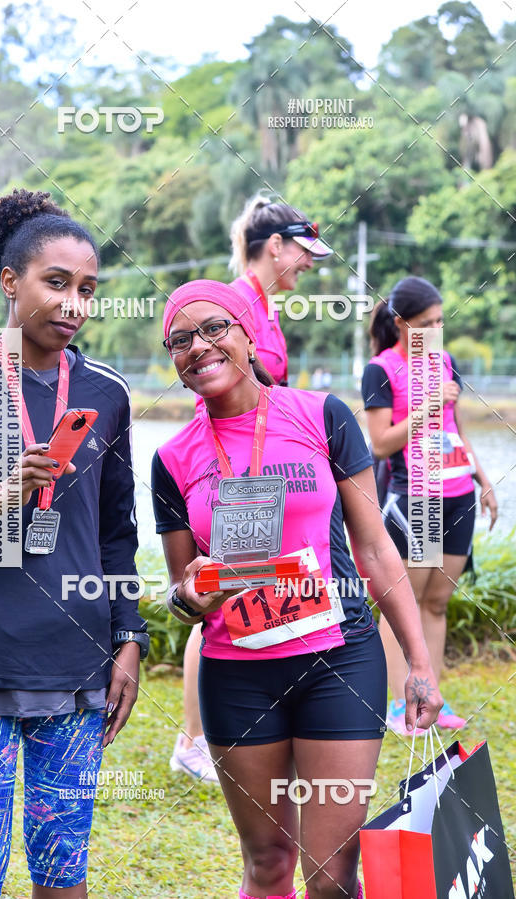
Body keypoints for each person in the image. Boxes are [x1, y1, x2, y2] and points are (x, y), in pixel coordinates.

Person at [152, 278, 441, 899]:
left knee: (333, 871)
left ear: (247, 333)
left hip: (340, 660)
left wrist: (419, 663)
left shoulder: (323, 416)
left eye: (213, 328)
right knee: (269, 862)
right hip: (238, 674)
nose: (197, 347)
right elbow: (181, 587)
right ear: (173, 363)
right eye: (179, 340)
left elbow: (373, 548)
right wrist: (189, 598)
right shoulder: (173, 458)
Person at [0, 188, 149, 899]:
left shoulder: (106, 392)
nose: (74, 304)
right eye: (57, 283)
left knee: (62, 872)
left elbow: (117, 532)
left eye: (87, 289)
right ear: (10, 282)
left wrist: (129, 638)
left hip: (76, 670)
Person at [171, 196, 334, 782]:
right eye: (303, 252)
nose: (309, 265)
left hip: (272, 477)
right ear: (275, 248)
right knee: (216, 590)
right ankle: (193, 737)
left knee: (251, 589)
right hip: (232, 476)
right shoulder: (237, 305)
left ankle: (236, 725)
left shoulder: (268, 308)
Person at [361, 276, 497, 736]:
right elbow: (380, 444)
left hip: (458, 493)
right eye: (425, 323)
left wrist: (481, 476)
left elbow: (456, 428)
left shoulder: (446, 361)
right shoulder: (380, 370)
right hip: (415, 497)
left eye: (440, 321)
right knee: (405, 604)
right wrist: (428, 403)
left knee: (437, 603)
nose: (435, 331)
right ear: (400, 323)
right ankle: (400, 705)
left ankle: (431, 698)